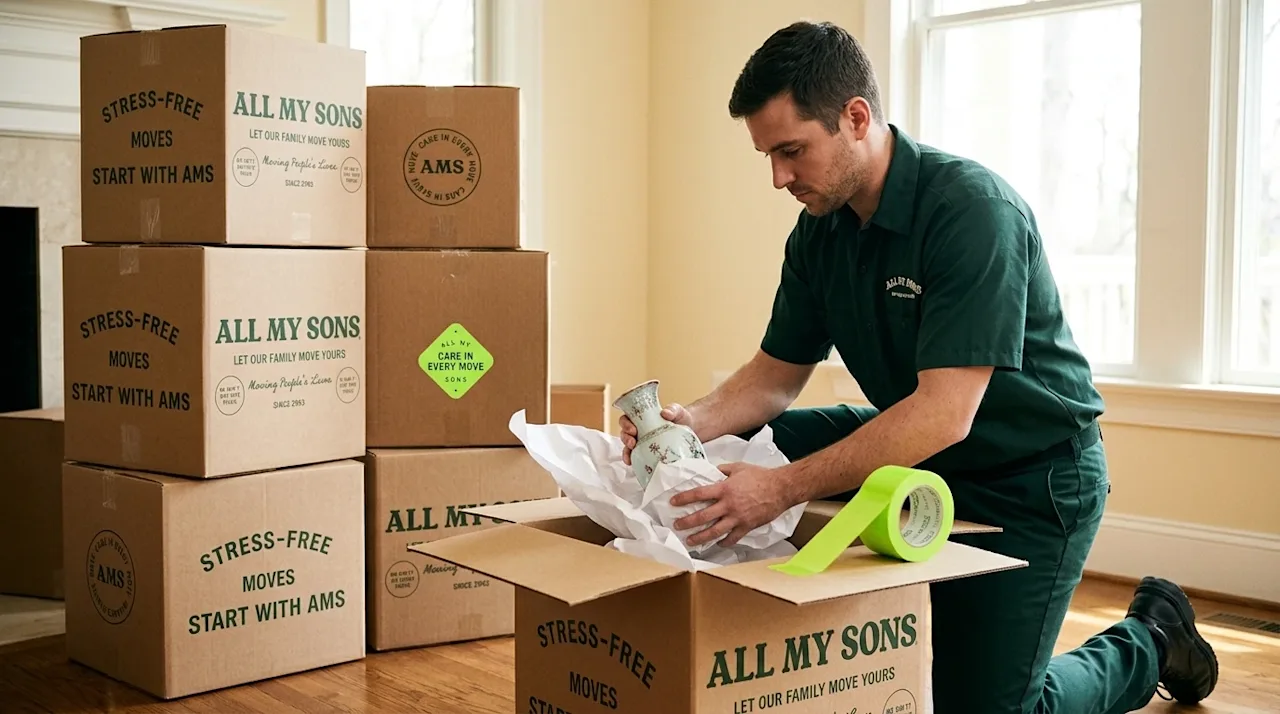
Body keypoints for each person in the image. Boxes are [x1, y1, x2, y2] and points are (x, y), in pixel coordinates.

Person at [619, 20, 1219, 714]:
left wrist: (778, 489)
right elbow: (773, 377)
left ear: (855, 118)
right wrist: (685, 424)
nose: (779, 177)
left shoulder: (973, 213)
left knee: (992, 710)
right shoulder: (819, 231)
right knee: (746, 440)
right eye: (768, 156)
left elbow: (943, 415)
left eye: (791, 151)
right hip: (920, 457)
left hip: (1031, 477)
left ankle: (1151, 638)